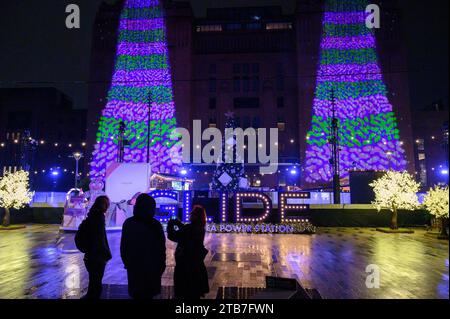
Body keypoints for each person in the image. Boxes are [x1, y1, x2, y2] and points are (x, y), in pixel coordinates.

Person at [120, 193, 166, 299]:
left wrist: (127, 263)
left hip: (134, 267)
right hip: (152, 267)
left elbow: (124, 246)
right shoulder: (155, 225)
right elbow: (161, 248)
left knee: (136, 294)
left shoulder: (128, 223)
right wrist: (161, 265)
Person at [167, 205, 210, 299]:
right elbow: (187, 231)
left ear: (196, 216)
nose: (190, 214)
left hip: (185, 264)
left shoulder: (190, 229)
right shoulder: (200, 228)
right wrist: (179, 224)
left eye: (192, 213)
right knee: (194, 292)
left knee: (184, 291)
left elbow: (173, 236)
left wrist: (171, 224)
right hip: (196, 264)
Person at [81, 195, 112, 299]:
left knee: (93, 281)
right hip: (97, 257)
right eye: (107, 204)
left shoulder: (91, 216)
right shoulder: (99, 218)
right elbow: (99, 239)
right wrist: (106, 254)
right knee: (96, 283)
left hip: (89, 255)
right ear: (105, 205)